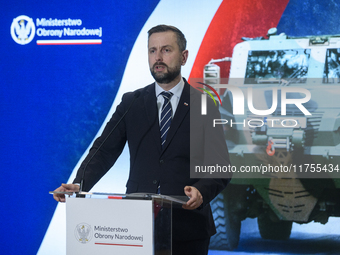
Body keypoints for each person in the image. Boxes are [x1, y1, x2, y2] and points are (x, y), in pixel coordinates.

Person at [53, 24, 231, 255]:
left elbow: (221, 167)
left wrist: (201, 191)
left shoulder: (204, 105)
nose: (158, 57)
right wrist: (80, 184)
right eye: (152, 50)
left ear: (184, 56)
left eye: (166, 50)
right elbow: (104, 150)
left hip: (189, 229)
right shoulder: (132, 103)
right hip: (136, 228)